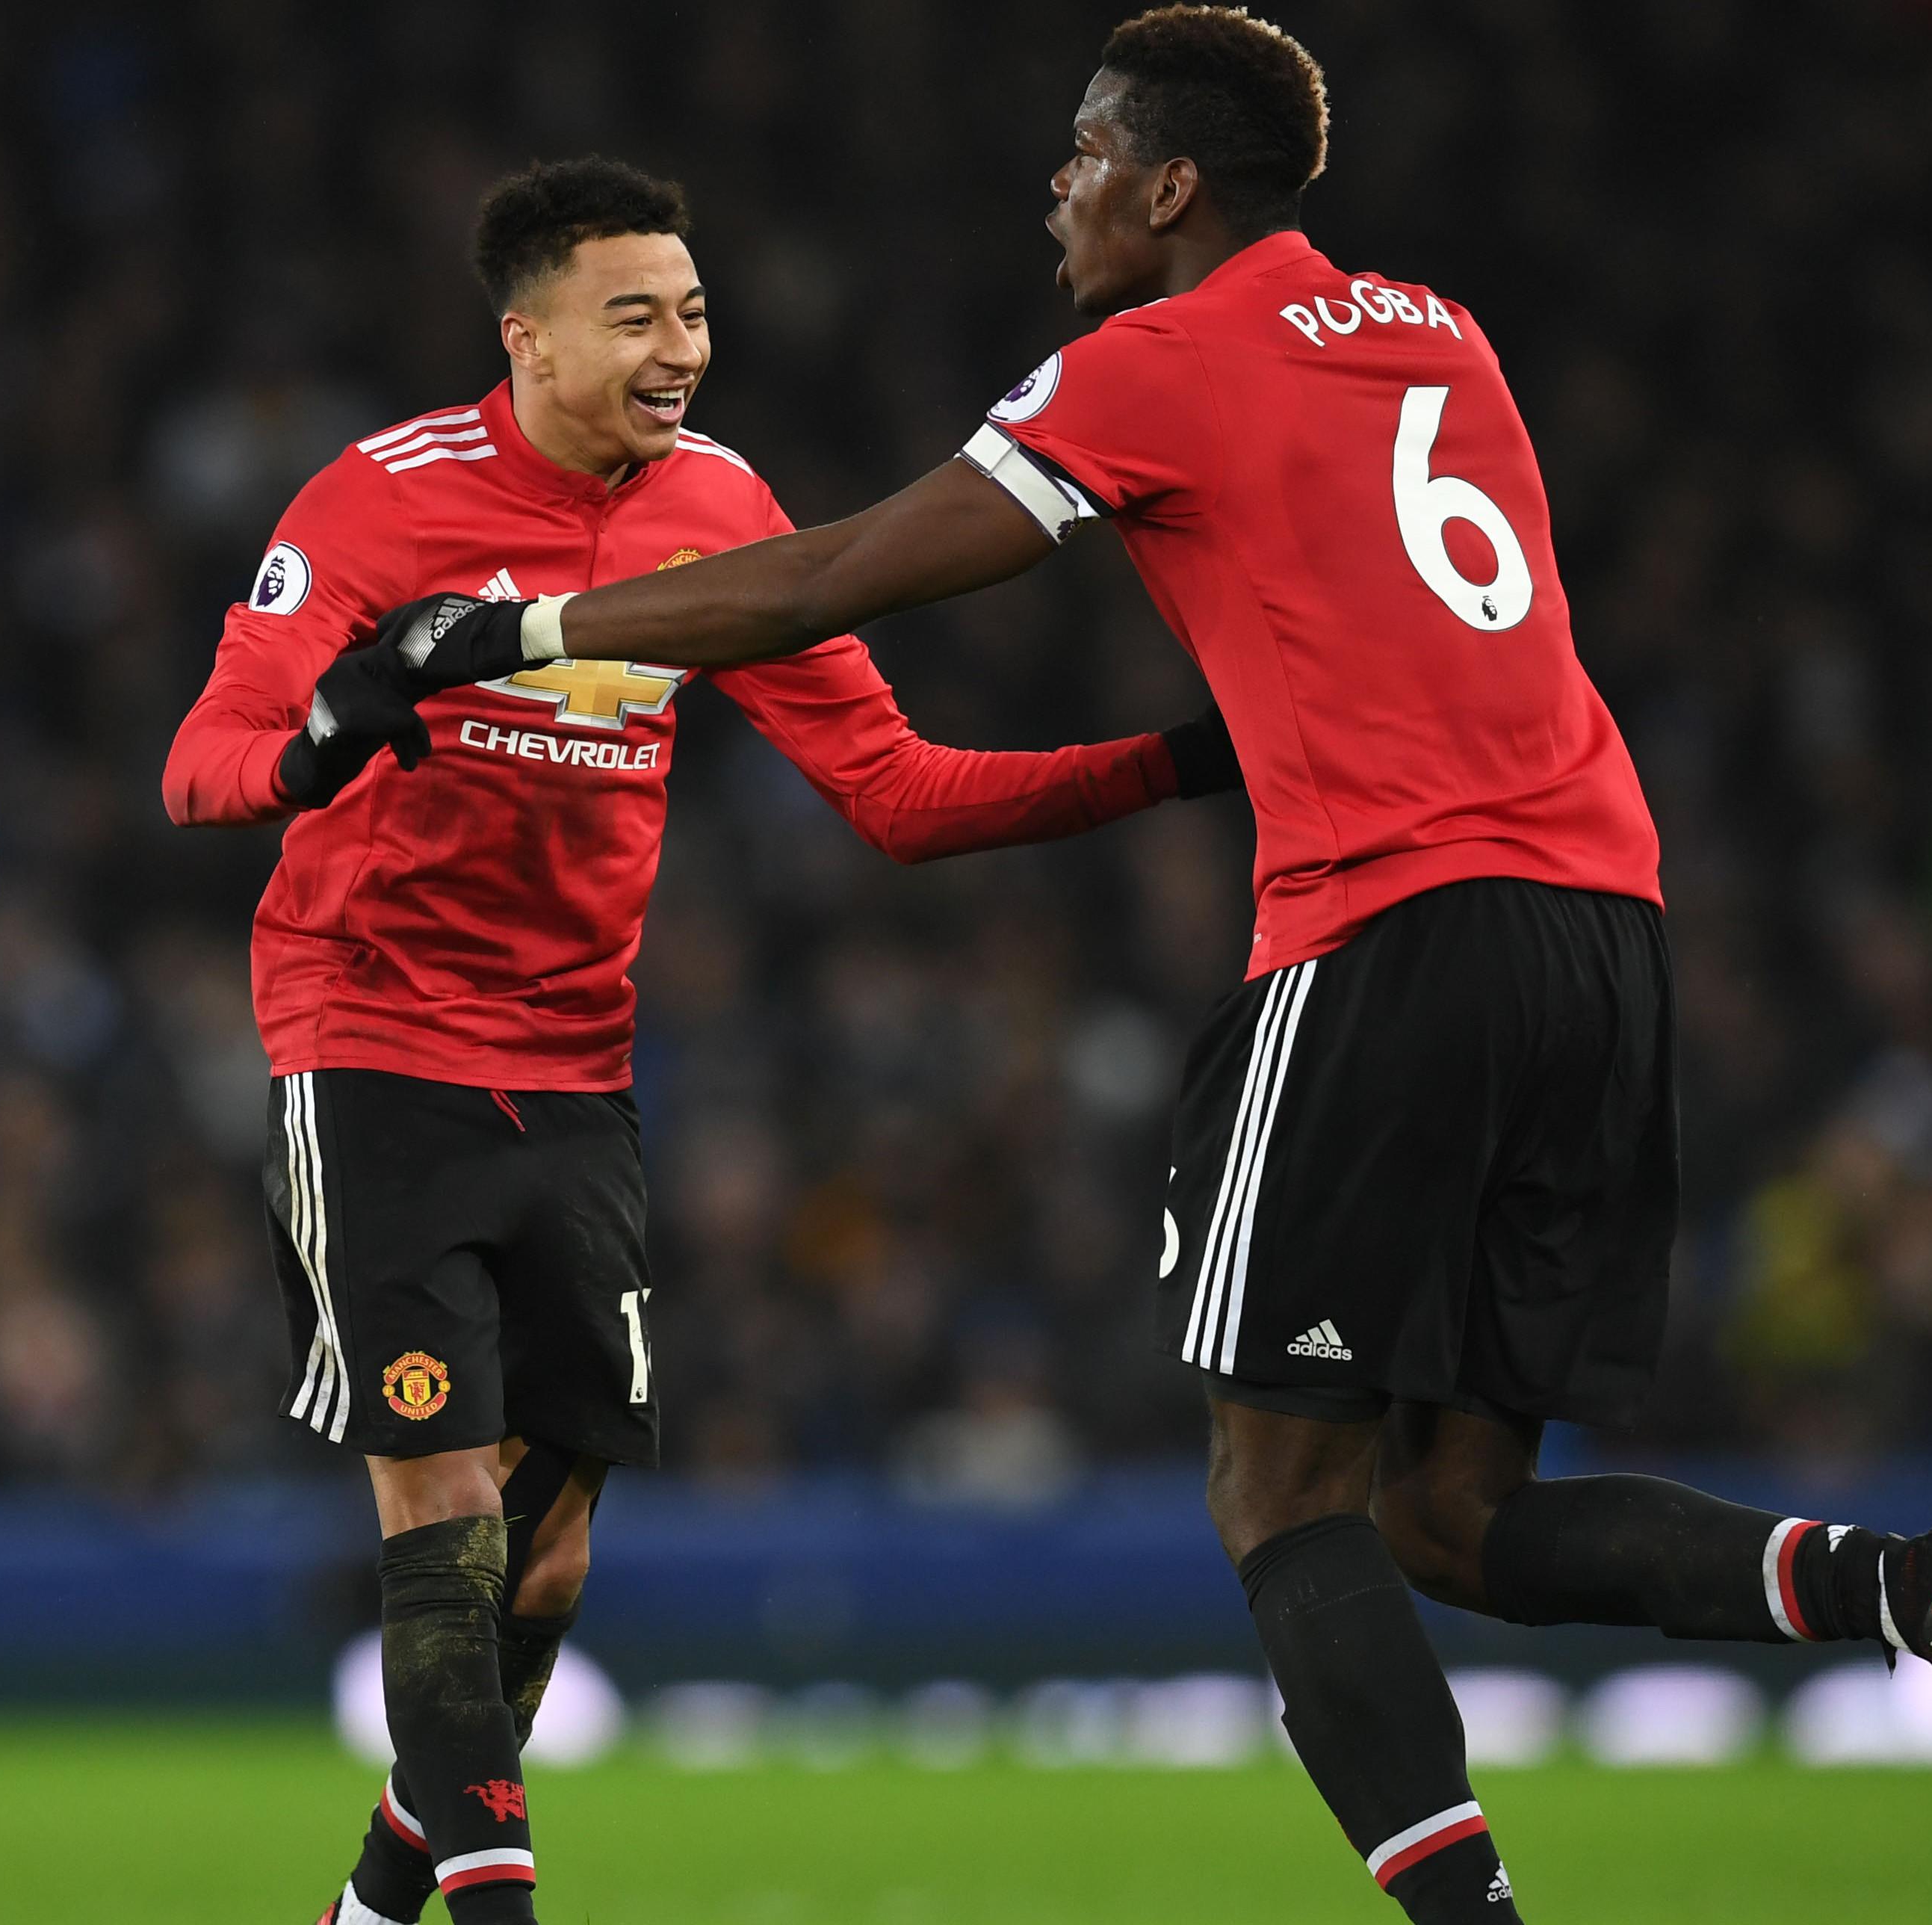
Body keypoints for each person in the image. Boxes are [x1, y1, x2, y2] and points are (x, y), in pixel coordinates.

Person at [352, 11, 1932, 1920]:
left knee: (1280, 1501)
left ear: (1171, 185)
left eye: (1087, 154)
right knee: (1455, 1515)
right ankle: (1909, 1587)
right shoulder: (1443, 329)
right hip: (1607, 931)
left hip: (1391, 932)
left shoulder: (1157, 362)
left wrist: (516, 627)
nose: (1061, 187)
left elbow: (826, 578)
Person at [162, 157, 1232, 1925]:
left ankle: (368, 1912)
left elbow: (897, 794)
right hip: (369, 1038)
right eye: (638, 316)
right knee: (442, 1517)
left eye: (697, 312)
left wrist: (1182, 760)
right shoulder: (374, 501)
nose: (683, 349)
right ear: (530, 338)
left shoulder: (724, 503)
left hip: (580, 1067)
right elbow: (204, 758)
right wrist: (315, 749)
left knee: (552, 1553)